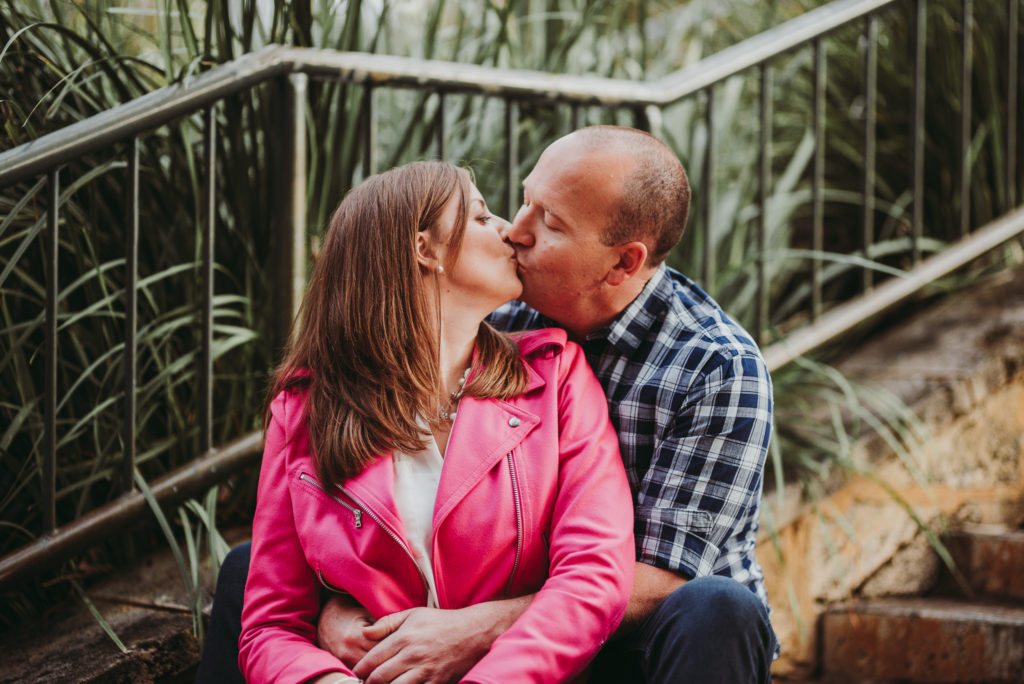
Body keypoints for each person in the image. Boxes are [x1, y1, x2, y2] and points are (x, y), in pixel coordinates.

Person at [196, 125, 778, 684]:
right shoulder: (491, 311)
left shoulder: (716, 367)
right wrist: (332, 614)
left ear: (623, 262)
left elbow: (649, 577)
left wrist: (473, 631)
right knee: (248, 571)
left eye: (549, 222)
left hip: (645, 638)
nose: (514, 231)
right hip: (468, 610)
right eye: (522, 201)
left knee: (717, 608)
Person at [233, 161, 635, 684]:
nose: (510, 231)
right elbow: (271, 625)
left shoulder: (556, 378)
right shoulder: (304, 410)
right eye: (481, 216)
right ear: (424, 250)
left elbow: (592, 577)